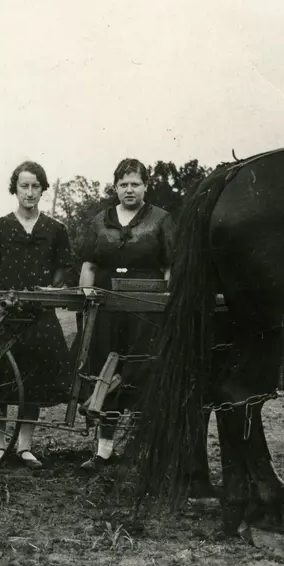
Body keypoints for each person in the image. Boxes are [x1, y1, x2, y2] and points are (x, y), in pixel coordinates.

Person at [76, 158, 175, 471]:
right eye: (123, 184)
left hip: (146, 311)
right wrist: (87, 295)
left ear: (145, 186)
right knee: (105, 374)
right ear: (115, 187)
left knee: (142, 372)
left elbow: (171, 265)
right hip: (106, 308)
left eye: (135, 184)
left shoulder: (161, 219)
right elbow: (89, 265)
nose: (129, 190)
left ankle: (143, 451)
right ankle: (104, 450)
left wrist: (165, 300)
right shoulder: (100, 221)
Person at [0, 161, 74, 469]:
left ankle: (25, 446)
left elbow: (61, 269)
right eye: (24, 186)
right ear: (14, 189)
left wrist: (46, 293)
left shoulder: (55, 230)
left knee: (34, 379)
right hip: (4, 313)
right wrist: (4, 298)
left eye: (35, 186)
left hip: (38, 315)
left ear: (43, 189)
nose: (29, 192)